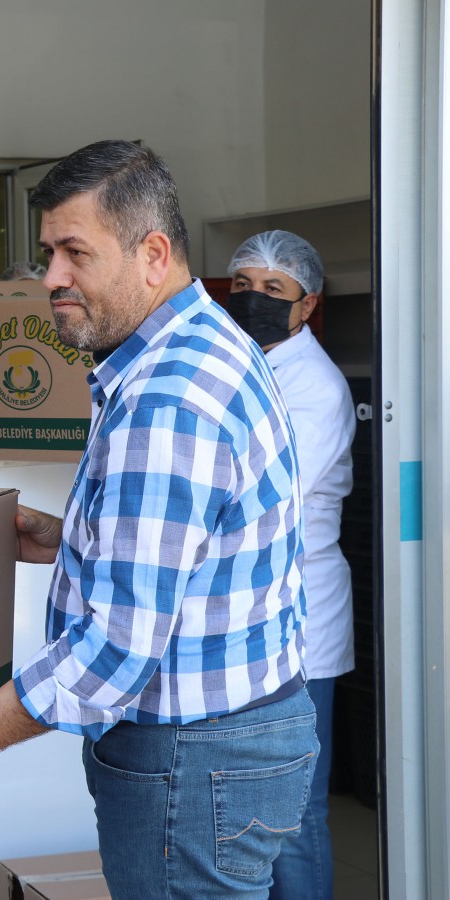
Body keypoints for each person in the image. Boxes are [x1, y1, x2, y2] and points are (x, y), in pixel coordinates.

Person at [0, 141, 318, 899]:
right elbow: (198, 546)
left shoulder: (167, 395)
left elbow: (114, 653)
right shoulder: (203, 345)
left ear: (152, 253)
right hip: (232, 740)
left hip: (189, 760)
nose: (51, 279)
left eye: (74, 253)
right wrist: (71, 535)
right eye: (49, 253)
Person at [226, 230, 356, 900]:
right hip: (250, 614)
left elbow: (259, 491)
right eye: (243, 285)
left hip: (301, 620)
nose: (254, 299)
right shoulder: (242, 365)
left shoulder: (318, 388)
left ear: (307, 305)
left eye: (273, 290)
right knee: (253, 810)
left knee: (297, 814)